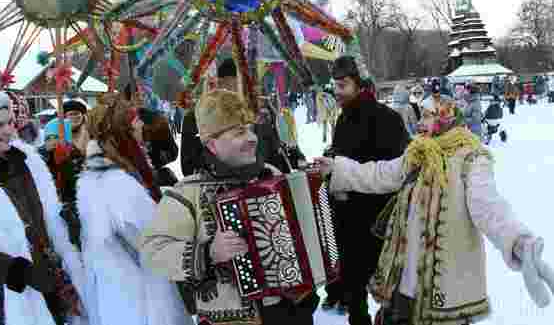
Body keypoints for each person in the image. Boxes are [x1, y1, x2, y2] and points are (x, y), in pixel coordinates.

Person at [316, 96, 554, 325]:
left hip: (443, 286)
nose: (420, 122)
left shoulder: (470, 159)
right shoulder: (418, 153)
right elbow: (379, 174)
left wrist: (517, 241)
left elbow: (488, 206)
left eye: (428, 116)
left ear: (446, 118)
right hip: (403, 281)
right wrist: (337, 168)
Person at [139, 89, 320, 325]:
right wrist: (207, 253)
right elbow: (151, 252)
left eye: (250, 128)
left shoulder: (271, 175)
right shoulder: (187, 192)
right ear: (212, 144)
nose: (252, 138)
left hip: (291, 313)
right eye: (239, 132)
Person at [0, 92, 85, 325]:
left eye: (10, 122)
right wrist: (22, 273)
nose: (9, 130)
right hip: (10, 293)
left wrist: (66, 221)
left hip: (50, 274)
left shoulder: (27, 163)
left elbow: (45, 213)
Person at [76, 94, 191, 325]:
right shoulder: (117, 183)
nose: (140, 124)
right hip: (140, 298)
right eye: (133, 120)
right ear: (122, 130)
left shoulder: (103, 176)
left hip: (121, 293)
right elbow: (152, 241)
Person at [321, 56, 410, 325]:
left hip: (377, 224)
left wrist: (341, 170)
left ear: (361, 85)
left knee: (390, 293)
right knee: (355, 295)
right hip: (346, 221)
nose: (337, 91)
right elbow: (344, 153)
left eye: (343, 85)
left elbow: (396, 172)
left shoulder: (388, 119)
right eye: (335, 85)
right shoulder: (343, 118)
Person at [38, 118, 83, 250]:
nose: (51, 141)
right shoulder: (40, 158)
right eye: (48, 138)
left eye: (55, 137)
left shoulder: (74, 156)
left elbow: (76, 185)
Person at [139, 106, 180, 187]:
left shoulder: (152, 126)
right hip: (164, 157)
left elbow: (170, 152)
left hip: (160, 159)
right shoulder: (155, 119)